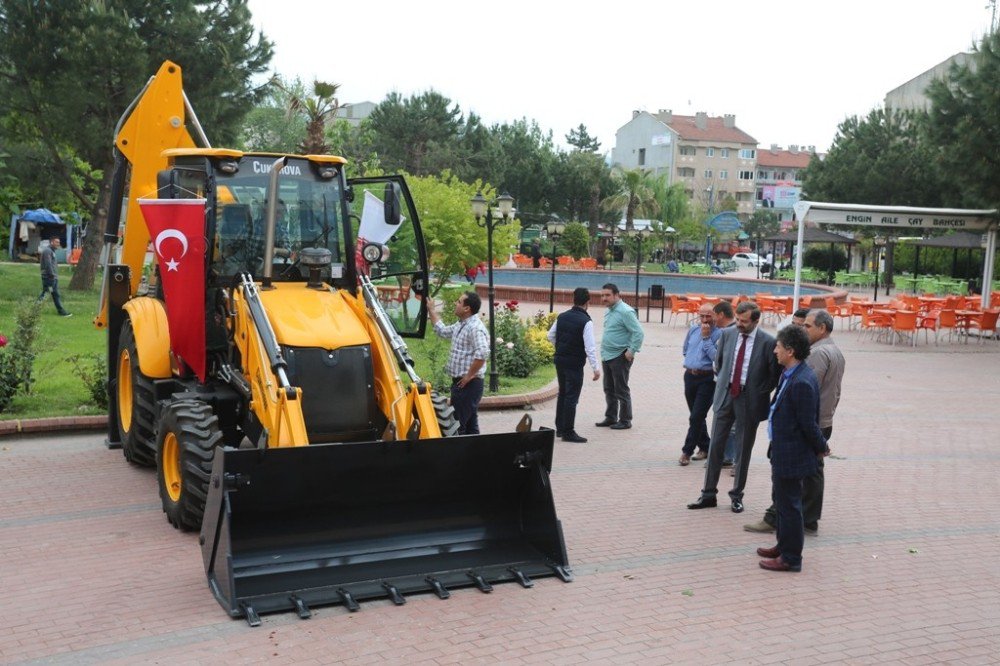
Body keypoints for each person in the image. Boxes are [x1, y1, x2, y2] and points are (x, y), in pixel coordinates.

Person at [745, 308, 845, 535]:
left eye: (808, 326)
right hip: (821, 420)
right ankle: (806, 518)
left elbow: (804, 389)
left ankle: (778, 518)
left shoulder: (818, 354)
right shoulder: (834, 350)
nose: (803, 329)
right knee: (811, 472)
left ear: (822, 328)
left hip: (808, 423)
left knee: (788, 472)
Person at [688, 301, 779, 512]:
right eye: (737, 319)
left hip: (749, 399)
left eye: (744, 321)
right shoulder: (727, 335)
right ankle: (708, 494)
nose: (739, 324)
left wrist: (756, 391)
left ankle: (737, 495)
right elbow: (719, 363)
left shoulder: (767, 342)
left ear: (756, 320)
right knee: (715, 447)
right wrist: (725, 385)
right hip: (725, 395)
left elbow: (773, 375)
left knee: (743, 450)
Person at [756, 325, 830, 572]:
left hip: (792, 455)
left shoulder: (802, 382)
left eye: (778, 347)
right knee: (782, 502)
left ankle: (791, 557)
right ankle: (783, 544)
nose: (774, 350)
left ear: (790, 350)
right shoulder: (789, 373)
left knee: (789, 507)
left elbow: (808, 423)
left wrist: (822, 447)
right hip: (781, 450)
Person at [428, 291, 490, 435]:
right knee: (470, 427)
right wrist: (431, 310)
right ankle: (474, 456)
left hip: (468, 385)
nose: (456, 303)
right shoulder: (461, 324)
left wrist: (468, 376)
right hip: (462, 384)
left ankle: (458, 456)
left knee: (457, 427)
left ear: (467, 309)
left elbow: (482, 353)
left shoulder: (475, 328)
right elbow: (442, 331)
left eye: (459, 302)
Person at [547, 287, 601, 443]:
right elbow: (590, 347)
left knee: (563, 393)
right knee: (571, 396)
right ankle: (568, 431)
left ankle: (560, 428)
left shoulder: (562, 316)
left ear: (574, 299)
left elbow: (550, 335)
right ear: (588, 302)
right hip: (574, 363)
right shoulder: (586, 321)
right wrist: (596, 368)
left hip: (560, 360)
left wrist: (561, 347)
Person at [595, 283, 644, 430]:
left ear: (616, 295)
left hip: (620, 356)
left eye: (607, 295)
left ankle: (625, 420)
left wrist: (631, 351)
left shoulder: (626, 311)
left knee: (621, 390)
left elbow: (638, 333)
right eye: (602, 295)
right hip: (608, 355)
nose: (604, 298)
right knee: (609, 388)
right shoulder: (609, 311)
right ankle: (611, 417)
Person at [679, 303, 721, 465]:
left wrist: (706, 337)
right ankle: (705, 446)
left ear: (716, 316)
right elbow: (685, 349)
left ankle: (686, 451)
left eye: (708, 316)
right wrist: (692, 362)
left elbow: (716, 358)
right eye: (701, 316)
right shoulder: (693, 330)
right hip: (690, 375)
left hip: (707, 378)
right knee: (697, 416)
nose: (704, 320)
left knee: (696, 416)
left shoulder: (719, 334)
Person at [712, 301, 738, 468]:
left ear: (720, 314)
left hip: (732, 386)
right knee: (725, 423)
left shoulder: (731, 333)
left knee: (734, 425)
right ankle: (727, 456)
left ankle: (734, 459)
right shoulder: (723, 332)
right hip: (723, 384)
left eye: (714, 315)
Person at [36, 236, 71, 317]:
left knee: (55, 294)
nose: (58, 244)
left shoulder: (52, 251)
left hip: (53, 277)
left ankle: (61, 311)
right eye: (56, 242)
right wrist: (51, 275)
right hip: (49, 278)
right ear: (52, 242)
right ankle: (34, 310)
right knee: (46, 293)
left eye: (58, 242)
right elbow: (48, 264)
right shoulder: (48, 251)